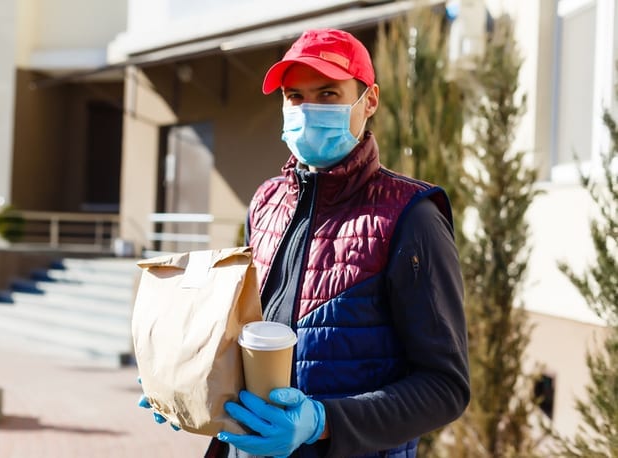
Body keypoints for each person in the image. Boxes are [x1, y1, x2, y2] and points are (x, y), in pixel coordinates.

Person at [143, 28, 470, 458]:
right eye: (294, 96)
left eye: (329, 94)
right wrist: (187, 382)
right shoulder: (265, 202)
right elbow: (246, 335)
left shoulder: (410, 216)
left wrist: (322, 422)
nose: (307, 109)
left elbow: (445, 388)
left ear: (368, 101)